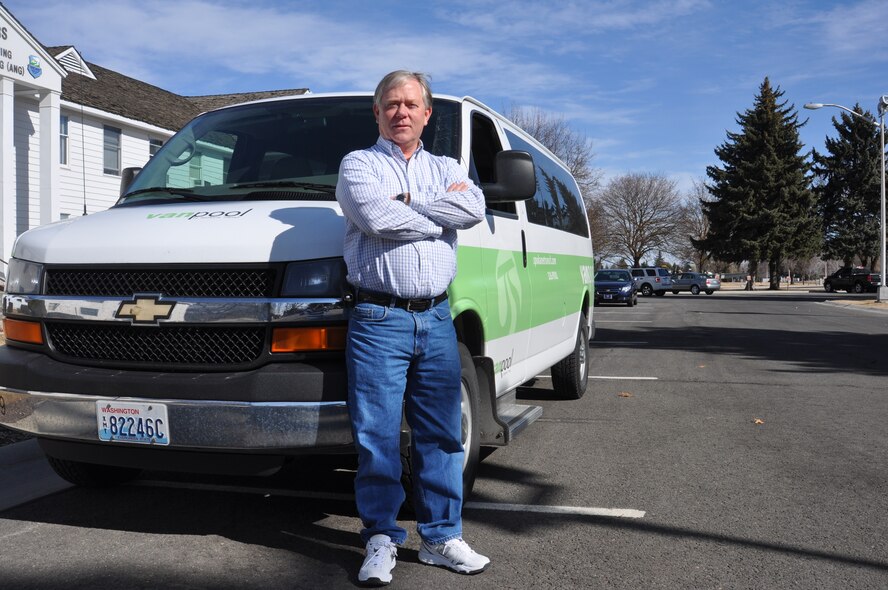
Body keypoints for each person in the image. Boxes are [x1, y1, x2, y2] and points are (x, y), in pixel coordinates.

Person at [335, 70, 489, 586]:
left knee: (443, 434)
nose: (401, 112)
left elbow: (474, 208)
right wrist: (439, 215)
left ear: (426, 114)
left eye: (411, 104)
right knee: (377, 436)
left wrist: (408, 203)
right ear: (377, 113)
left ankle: (442, 538)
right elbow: (375, 218)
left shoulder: (449, 165)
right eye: (391, 104)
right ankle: (380, 537)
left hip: (438, 316)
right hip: (379, 318)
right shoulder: (358, 164)